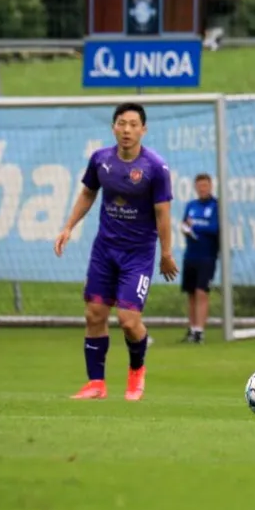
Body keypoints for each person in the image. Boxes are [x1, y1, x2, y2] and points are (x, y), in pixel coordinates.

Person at [55, 102, 177, 401]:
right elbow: (88, 193)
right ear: (113, 127)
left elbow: (163, 214)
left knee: (128, 321)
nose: (127, 130)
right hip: (104, 250)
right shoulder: (100, 160)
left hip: (138, 254)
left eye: (133, 124)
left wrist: (166, 253)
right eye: (122, 123)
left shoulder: (155, 168)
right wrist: (68, 226)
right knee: (94, 314)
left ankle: (136, 371)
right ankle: (96, 383)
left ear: (143, 130)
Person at [180, 173, 219, 344]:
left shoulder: (216, 206)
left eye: (205, 185)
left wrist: (195, 226)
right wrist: (186, 229)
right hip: (191, 254)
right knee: (191, 293)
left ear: (210, 187)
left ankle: (200, 331)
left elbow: (215, 228)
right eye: (200, 186)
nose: (202, 189)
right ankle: (192, 329)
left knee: (201, 292)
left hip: (207, 255)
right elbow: (184, 225)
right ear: (196, 187)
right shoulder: (191, 205)